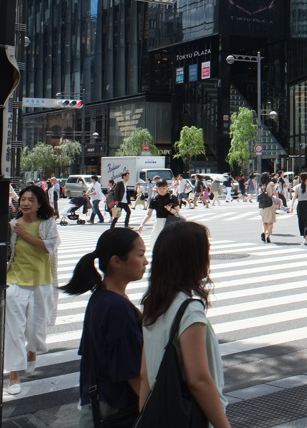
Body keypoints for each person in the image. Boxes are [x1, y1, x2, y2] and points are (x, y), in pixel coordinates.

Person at [138, 222, 230, 428]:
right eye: (205, 250)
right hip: (189, 417)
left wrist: (143, 417)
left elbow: (145, 375)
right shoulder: (189, 311)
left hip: (159, 415)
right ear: (192, 258)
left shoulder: (153, 304)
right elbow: (198, 380)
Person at [62, 228, 146, 428]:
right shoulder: (117, 307)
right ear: (116, 261)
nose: (146, 261)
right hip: (115, 410)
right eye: (140, 254)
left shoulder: (101, 297)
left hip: (99, 405)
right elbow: (132, 373)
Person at [5, 185, 61, 395]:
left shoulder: (47, 224)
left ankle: (32, 351)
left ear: (39, 204)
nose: (26, 203)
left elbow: (49, 247)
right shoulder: (12, 225)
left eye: (31, 200)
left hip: (42, 283)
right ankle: (14, 375)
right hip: (15, 281)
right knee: (14, 330)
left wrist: (25, 235)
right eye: (23, 199)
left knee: (35, 331)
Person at [137, 179, 181, 248]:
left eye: (163, 188)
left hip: (171, 222)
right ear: (156, 188)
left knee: (171, 244)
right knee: (157, 243)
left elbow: (177, 212)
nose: (161, 190)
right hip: (159, 223)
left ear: (167, 187)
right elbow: (149, 214)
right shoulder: (154, 199)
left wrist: (170, 209)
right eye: (159, 188)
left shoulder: (172, 197)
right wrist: (142, 224)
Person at [258, 172, 279, 243]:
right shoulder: (271, 184)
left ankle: (264, 232)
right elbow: (276, 192)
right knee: (270, 222)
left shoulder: (261, 185)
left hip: (262, 205)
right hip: (270, 203)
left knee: (264, 221)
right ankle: (268, 236)